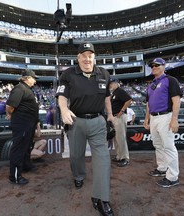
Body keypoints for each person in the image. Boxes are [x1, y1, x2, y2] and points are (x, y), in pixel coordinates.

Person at [56, 42, 115, 216]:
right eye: (84, 55)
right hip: (76, 121)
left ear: (94, 57)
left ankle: (101, 198)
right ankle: (79, 176)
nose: (87, 59)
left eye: (90, 55)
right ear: (78, 58)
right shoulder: (68, 73)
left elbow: (106, 98)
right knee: (76, 155)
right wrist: (64, 109)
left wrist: (110, 115)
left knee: (103, 160)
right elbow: (61, 95)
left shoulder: (104, 73)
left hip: (98, 121)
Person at [143, 58, 182, 188]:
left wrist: (174, 119)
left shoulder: (170, 80)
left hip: (166, 116)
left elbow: (176, 100)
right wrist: (146, 119)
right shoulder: (151, 84)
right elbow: (148, 104)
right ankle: (162, 168)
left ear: (164, 66)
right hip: (154, 118)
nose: (154, 67)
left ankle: (172, 177)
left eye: (157, 65)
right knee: (158, 145)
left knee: (168, 146)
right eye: (152, 65)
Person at [6, 69, 39, 185]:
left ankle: (26, 166)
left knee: (26, 148)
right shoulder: (19, 88)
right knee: (19, 149)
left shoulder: (27, 90)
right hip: (22, 124)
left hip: (29, 124)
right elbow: (10, 106)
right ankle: (14, 176)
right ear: (27, 78)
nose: (35, 81)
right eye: (34, 78)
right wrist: (10, 114)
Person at [109, 79, 132, 167]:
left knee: (121, 138)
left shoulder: (119, 91)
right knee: (116, 138)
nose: (110, 85)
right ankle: (119, 156)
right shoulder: (114, 93)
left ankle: (124, 158)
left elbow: (129, 100)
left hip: (119, 117)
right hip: (115, 117)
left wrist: (121, 111)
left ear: (116, 84)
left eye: (112, 83)